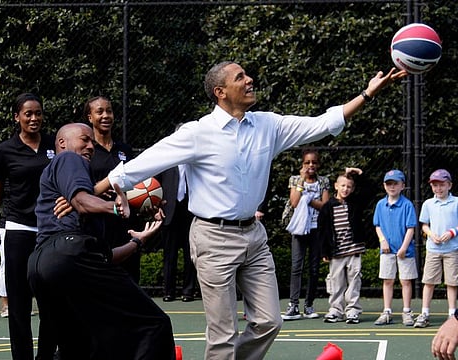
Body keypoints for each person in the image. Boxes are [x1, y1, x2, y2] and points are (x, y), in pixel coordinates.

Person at [95, 61, 406, 358]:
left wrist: (368, 94)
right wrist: (87, 194)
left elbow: (322, 124)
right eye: (240, 77)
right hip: (212, 238)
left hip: (254, 238)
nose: (249, 80)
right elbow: (143, 163)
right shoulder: (196, 132)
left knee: (270, 321)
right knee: (223, 334)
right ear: (220, 91)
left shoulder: (267, 125)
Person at [27, 123, 176, 359]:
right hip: (69, 253)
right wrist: (115, 208)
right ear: (62, 143)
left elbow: (103, 258)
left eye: (92, 143)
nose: (90, 146)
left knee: (75, 346)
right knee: (153, 324)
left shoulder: (67, 198)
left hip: (41, 264)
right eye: (85, 139)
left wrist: (138, 241)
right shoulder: (68, 160)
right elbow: (82, 202)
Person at [0, 93, 57, 360]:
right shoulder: (5, 150)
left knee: (51, 303)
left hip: (49, 231)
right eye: (28, 114)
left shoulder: (53, 145)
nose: (34, 118)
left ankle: (45, 356)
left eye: (38, 113)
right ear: (17, 117)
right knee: (19, 304)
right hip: (17, 230)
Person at [83, 96, 143, 282]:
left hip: (125, 224)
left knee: (130, 280)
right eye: (99, 111)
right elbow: (82, 190)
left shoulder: (124, 149)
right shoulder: (87, 150)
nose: (105, 115)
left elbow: (135, 183)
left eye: (109, 111)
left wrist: (146, 201)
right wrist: (101, 190)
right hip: (97, 225)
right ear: (90, 118)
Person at [318, 167, 371, 324]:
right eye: (342, 185)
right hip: (336, 252)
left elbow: (370, 190)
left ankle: (353, 310)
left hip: (353, 250)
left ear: (352, 188)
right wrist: (324, 251)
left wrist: (359, 174)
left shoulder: (355, 203)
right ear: (336, 186)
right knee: (336, 282)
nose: (345, 189)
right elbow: (322, 230)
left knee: (354, 281)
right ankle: (336, 310)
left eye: (349, 186)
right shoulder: (328, 207)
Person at [282, 149, 330, 321]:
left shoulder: (323, 181)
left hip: (317, 228)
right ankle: (293, 305)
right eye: (307, 162)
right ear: (302, 164)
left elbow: (325, 207)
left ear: (318, 165)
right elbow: (294, 202)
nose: (311, 165)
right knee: (297, 266)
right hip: (299, 228)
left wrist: (309, 200)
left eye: (314, 162)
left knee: (314, 268)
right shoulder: (295, 180)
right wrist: (302, 181)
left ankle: (309, 305)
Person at [372, 169, 417, 326]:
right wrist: (382, 240)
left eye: (395, 183)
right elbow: (377, 225)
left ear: (402, 186)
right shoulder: (380, 205)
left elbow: (411, 228)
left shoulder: (407, 205)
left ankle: (407, 311)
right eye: (389, 183)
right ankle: (387, 312)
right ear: (384, 186)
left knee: (405, 281)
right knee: (388, 281)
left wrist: (404, 247)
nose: (392, 187)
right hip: (386, 251)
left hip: (405, 251)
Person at [414, 169, 458, 328]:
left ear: (449, 185)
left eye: (442, 185)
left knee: (452, 282)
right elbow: (424, 225)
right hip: (433, 249)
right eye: (435, 185)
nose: (438, 188)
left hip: (452, 249)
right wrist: (431, 234)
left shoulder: (457, 202)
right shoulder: (428, 204)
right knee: (429, 281)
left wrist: (452, 232)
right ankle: (425, 313)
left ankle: (452, 314)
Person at [157, 161, 196, 302]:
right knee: (169, 254)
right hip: (170, 210)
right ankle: (168, 292)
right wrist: (157, 206)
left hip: (190, 209)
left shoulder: (194, 162)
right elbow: (155, 184)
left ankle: (188, 291)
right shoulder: (167, 161)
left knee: (190, 253)